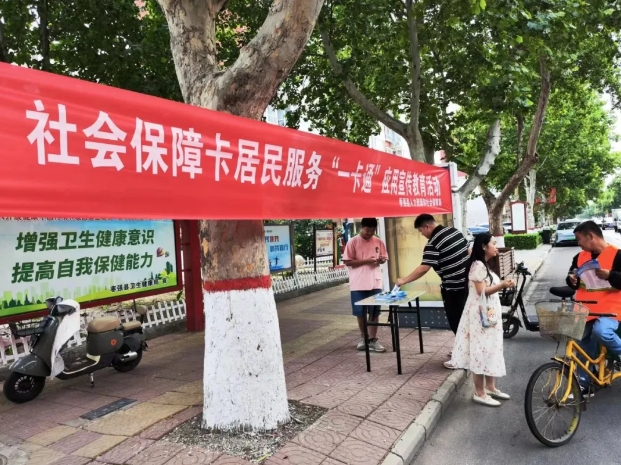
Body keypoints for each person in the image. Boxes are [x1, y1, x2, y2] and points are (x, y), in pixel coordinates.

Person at [396, 214, 470, 369]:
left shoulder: (433, 243)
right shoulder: (454, 232)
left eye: (421, 231)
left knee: (457, 321)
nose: (422, 234)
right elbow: (468, 251)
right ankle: (462, 349)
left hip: (453, 288)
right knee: (466, 320)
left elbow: (424, 268)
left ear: (427, 226)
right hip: (467, 284)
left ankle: (463, 357)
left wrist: (404, 280)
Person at [451, 233, 514, 407]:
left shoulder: (484, 264)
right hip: (479, 316)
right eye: (493, 243)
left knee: (491, 348)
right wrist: (502, 285)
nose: (496, 246)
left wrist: (502, 284)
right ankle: (480, 392)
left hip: (488, 313)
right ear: (484, 246)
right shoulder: (477, 265)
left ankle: (490, 387)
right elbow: (482, 291)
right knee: (480, 350)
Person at [566, 220, 621, 396]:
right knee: (582, 346)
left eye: (579, 239)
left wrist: (610, 275)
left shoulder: (617, 255)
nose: (578, 243)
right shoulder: (580, 257)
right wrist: (571, 279)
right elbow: (572, 278)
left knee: (601, 332)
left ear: (591, 236)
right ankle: (584, 383)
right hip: (584, 308)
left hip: (610, 308)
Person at [343, 217, 388, 352]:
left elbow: (384, 258)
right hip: (358, 283)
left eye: (373, 230)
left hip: (375, 282)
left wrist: (381, 260)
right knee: (360, 312)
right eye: (367, 230)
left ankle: (373, 339)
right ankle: (364, 336)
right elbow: (348, 261)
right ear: (361, 228)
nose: (370, 233)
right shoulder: (353, 242)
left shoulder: (378, 241)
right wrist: (366, 261)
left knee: (375, 312)